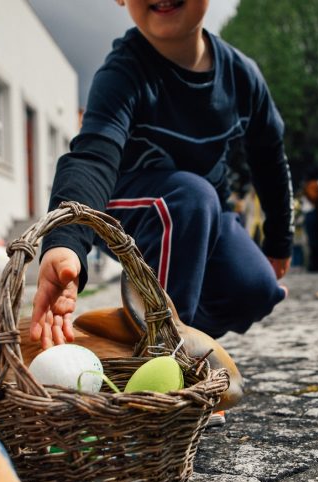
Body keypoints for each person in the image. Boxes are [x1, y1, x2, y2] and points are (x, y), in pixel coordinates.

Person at [30, 0, 293, 349]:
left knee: (257, 289)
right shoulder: (122, 74)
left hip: (204, 211)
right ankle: (161, 362)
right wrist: (66, 244)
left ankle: (151, 326)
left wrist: (278, 241)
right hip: (123, 204)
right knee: (189, 198)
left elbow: (270, 159)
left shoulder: (242, 78)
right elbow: (92, 157)